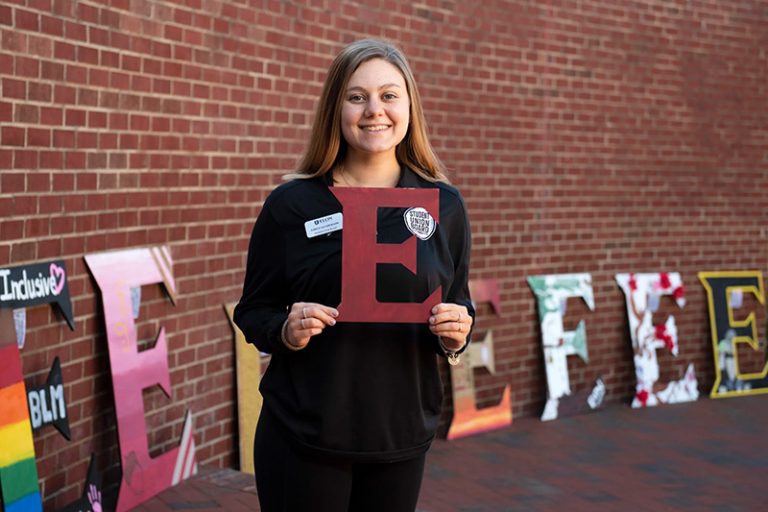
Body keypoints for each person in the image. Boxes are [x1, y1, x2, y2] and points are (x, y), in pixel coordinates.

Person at [234, 38, 474, 512]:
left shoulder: (444, 207)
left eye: (389, 95)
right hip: (304, 433)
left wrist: (456, 334)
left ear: (409, 107)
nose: (374, 111)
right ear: (335, 108)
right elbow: (253, 311)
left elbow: (458, 305)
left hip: (399, 435)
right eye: (357, 96)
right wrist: (284, 328)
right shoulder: (291, 204)